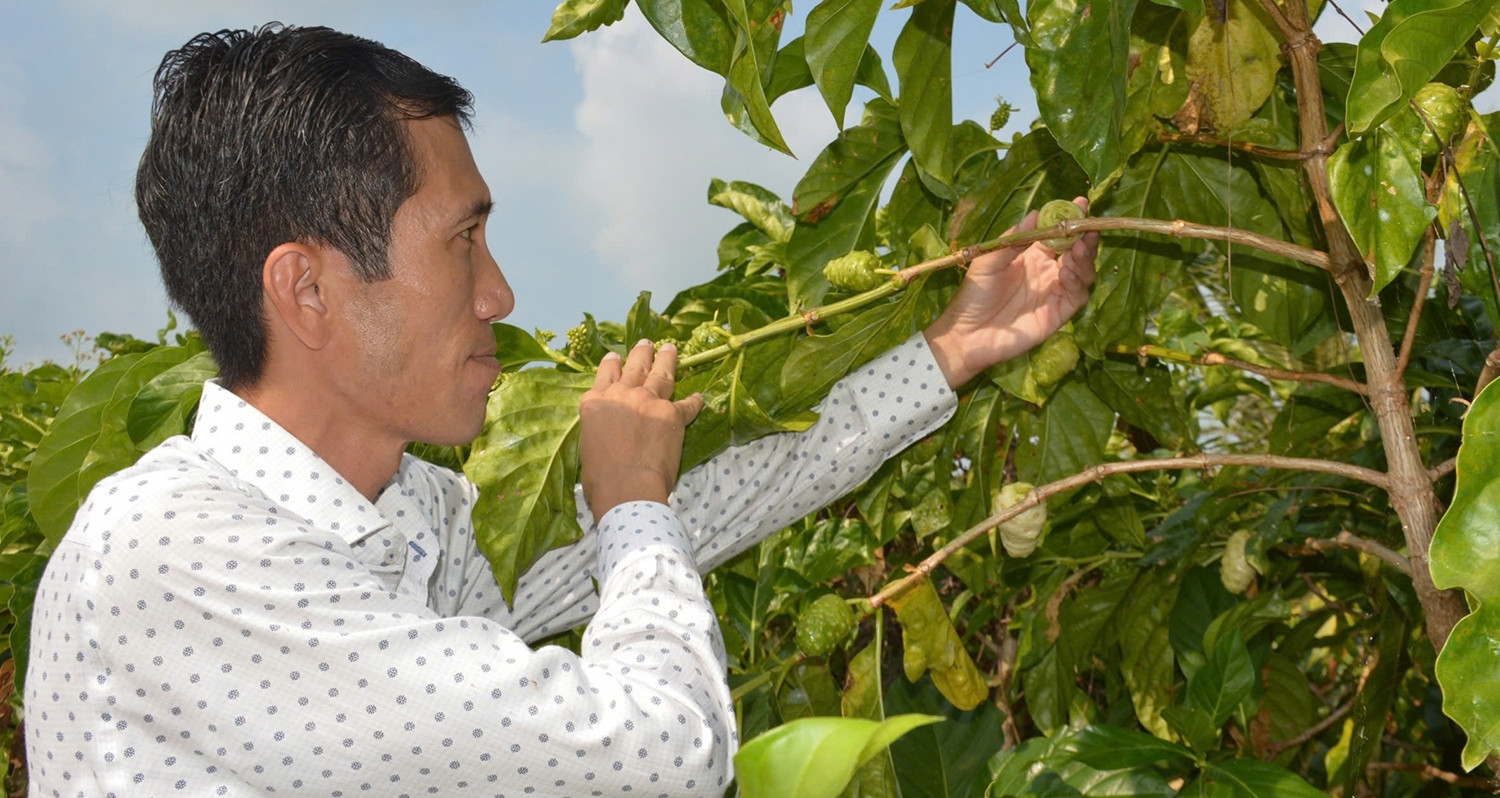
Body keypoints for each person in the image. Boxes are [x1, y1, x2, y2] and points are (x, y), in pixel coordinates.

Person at [23, 23, 1098, 798]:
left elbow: (695, 508)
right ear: (307, 290)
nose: (499, 294)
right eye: (461, 241)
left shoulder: (409, 515)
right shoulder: (176, 551)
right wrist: (632, 510)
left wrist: (949, 351)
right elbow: (664, 758)